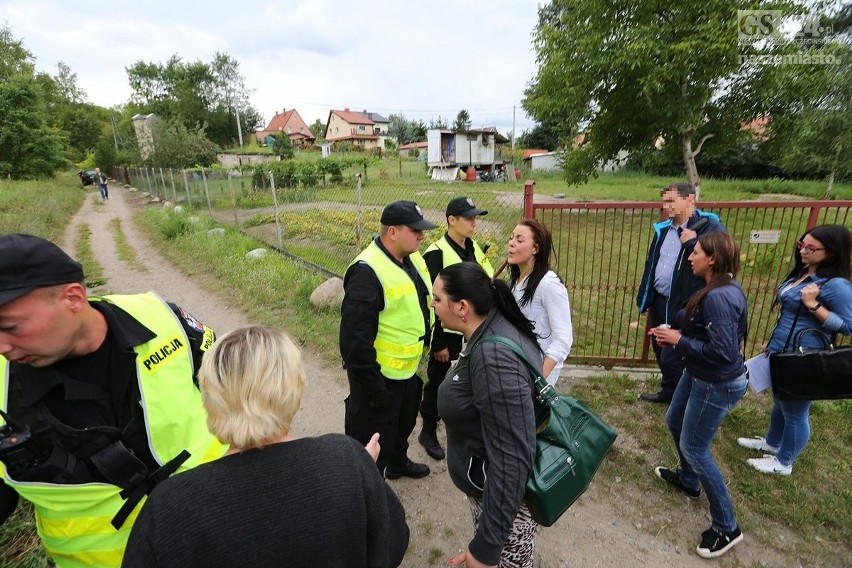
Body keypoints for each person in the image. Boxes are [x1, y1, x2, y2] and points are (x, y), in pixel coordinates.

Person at [0, 233, 226, 568]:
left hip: (221, 535)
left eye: (11, 327)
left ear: (73, 298)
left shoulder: (162, 319)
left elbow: (234, 391)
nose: (2, 346)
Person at [123, 326, 410, 568]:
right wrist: (362, 473)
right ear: (295, 391)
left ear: (209, 397)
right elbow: (393, 544)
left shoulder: (169, 507)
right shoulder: (346, 459)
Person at [435, 262, 542, 568]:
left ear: (462, 307)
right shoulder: (490, 328)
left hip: (505, 509)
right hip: (493, 495)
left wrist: (486, 547)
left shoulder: (494, 358)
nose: (433, 305)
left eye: (438, 299)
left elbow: (512, 457)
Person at [651, 232, 749, 559]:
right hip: (698, 372)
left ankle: (727, 526)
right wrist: (678, 337)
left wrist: (679, 340)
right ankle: (689, 479)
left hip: (715, 382)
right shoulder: (718, 287)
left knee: (695, 447)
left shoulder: (720, 297)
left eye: (697, 252)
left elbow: (723, 353)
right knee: (674, 419)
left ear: (713, 260)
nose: (690, 257)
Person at [737, 224, 852, 476]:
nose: (803, 250)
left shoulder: (835, 285)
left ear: (831, 252)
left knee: (796, 411)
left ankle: (784, 462)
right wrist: (774, 343)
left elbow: (848, 325)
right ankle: (772, 442)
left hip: (805, 355)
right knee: (782, 399)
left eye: (811, 248)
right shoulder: (804, 273)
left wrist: (813, 306)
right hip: (783, 349)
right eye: (802, 245)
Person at [340, 200, 436, 479]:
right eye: (415, 230)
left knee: (402, 424)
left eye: (422, 230)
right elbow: (354, 343)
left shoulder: (412, 258)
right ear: (392, 232)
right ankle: (366, 492)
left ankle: (398, 461)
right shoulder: (367, 271)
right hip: (378, 378)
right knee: (371, 441)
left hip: (405, 371)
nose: (421, 236)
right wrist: (376, 390)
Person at [418, 196, 494, 460]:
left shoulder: (474, 248)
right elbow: (432, 301)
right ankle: (428, 429)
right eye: (469, 218)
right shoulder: (436, 253)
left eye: (475, 217)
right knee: (438, 380)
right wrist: (437, 341)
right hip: (447, 332)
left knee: (470, 381)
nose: (474, 222)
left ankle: (463, 427)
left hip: (473, 331)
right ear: (452, 220)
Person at [636, 182, 725, 403]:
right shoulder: (664, 229)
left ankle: (687, 396)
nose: (666, 206)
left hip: (686, 302)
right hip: (660, 298)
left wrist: (692, 242)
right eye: (664, 201)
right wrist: (645, 295)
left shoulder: (710, 227)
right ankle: (669, 390)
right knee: (660, 346)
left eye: (671, 201)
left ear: (690, 200)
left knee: (678, 352)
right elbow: (652, 263)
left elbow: (718, 261)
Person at [507, 219, 573, 387]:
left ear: (536, 249)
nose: (511, 243)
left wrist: (540, 377)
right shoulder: (518, 280)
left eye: (519, 240)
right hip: (521, 364)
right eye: (511, 238)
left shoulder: (549, 284)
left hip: (539, 370)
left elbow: (563, 339)